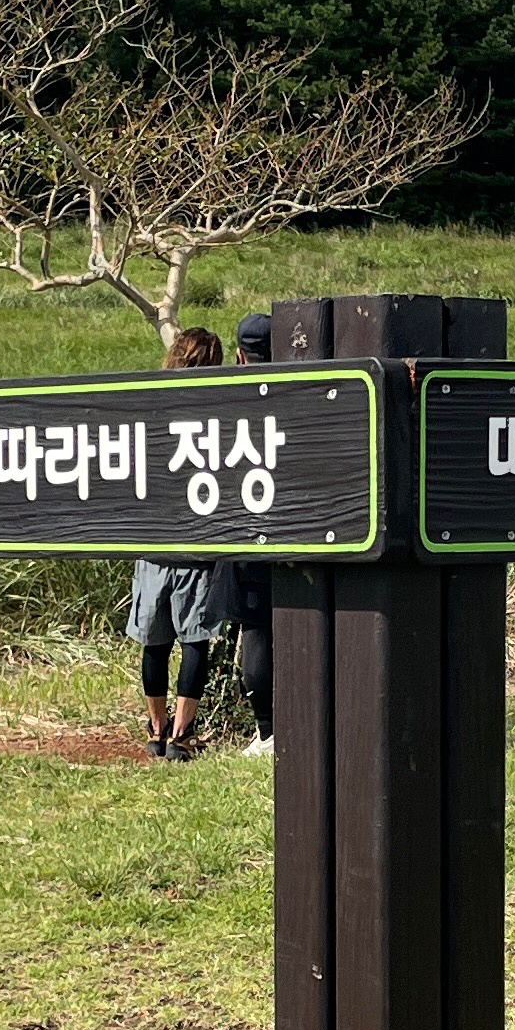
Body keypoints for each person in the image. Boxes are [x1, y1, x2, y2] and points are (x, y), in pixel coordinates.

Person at [126, 328, 231, 757]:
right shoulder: (220, 411)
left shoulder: (151, 404)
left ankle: (155, 729)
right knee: (194, 642)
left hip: (154, 544)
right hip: (197, 546)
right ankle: (182, 735)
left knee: (155, 642)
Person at [216, 310, 279, 755]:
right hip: (308, 534)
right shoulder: (308, 390)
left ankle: (268, 730)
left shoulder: (225, 398)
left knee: (256, 632)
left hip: (247, 533)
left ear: (240, 356)